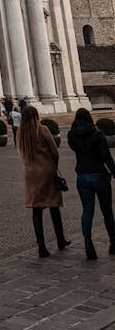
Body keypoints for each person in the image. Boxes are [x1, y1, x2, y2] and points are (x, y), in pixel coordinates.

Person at [17, 105, 69, 258]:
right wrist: (54, 167)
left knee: (36, 210)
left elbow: (22, 153)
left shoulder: (21, 133)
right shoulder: (42, 129)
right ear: (36, 116)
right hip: (46, 171)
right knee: (54, 206)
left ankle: (41, 246)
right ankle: (60, 239)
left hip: (31, 174)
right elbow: (55, 152)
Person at [67, 107, 115, 259]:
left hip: (82, 175)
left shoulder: (71, 135)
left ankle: (88, 243)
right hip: (99, 175)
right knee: (107, 211)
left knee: (87, 210)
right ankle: (113, 242)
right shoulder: (97, 134)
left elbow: (75, 148)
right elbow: (107, 157)